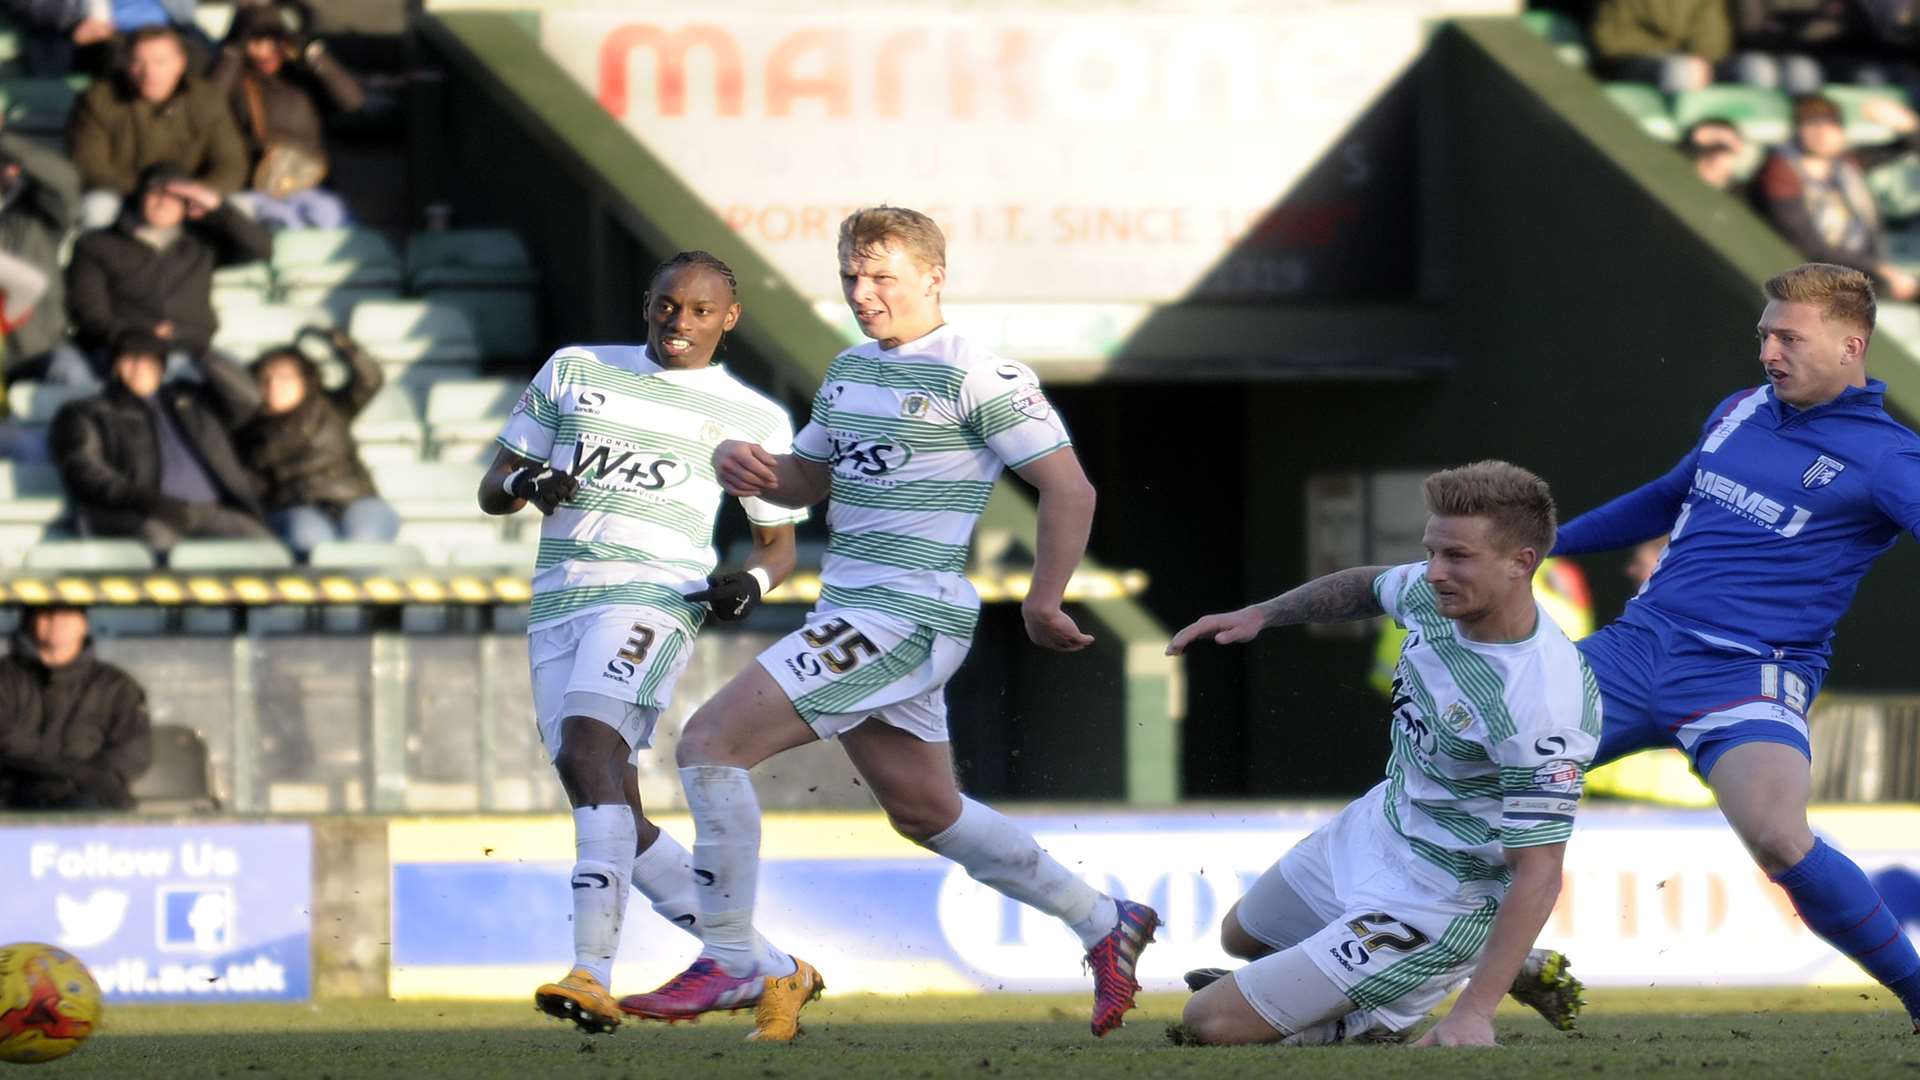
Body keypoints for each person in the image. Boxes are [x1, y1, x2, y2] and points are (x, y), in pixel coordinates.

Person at [619, 207, 1156, 1040]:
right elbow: (805, 484)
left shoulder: (980, 374)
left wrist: (1045, 599)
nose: (862, 294)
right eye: (850, 277)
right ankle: (1102, 920)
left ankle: (727, 957)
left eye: (882, 277)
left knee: (708, 743)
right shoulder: (848, 371)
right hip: (857, 608)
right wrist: (747, 469)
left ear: (934, 277)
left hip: (904, 612)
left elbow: (1069, 488)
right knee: (925, 810)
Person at [1552, 263, 1920, 1033]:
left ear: (1853, 345)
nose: (1768, 352)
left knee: (1780, 836)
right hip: (1635, 647)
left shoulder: (1887, 458)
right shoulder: (1740, 410)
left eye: (1790, 337)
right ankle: (1358, 960)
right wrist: (1546, 547)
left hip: (1751, 671)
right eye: (1764, 334)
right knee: (1470, 771)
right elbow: (1664, 498)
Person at [477, 250, 810, 1040]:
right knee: (605, 794)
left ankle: (592, 972)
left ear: (729, 319)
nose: (680, 324)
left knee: (592, 749)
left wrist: (749, 584)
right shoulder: (576, 369)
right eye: (668, 306)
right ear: (647, 305)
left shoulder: (754, 418)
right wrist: (531, 486)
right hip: (560, 600)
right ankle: (772, 969)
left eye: (700, 312)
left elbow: (778, 549)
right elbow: (494, 486)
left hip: (656, 597)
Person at [1163, 462, 1595, 1048]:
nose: (1434, 573)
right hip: (1382, 825)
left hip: (1446, 895)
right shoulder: (1434, 594)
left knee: (1210, 1022)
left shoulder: (1543, 699)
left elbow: (1540, 871)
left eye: (1457, 558)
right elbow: (1371, 585)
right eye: (1432, 552)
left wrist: (1475, 1014)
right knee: (1242, 936)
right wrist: (1262, 614)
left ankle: (1389, 1010)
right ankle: (1481, 965)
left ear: (1521, 562)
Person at [49, 328, 272, 552]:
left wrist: (199, 351)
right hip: (140, 513)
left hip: (210, 509)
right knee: (160, 541)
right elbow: (84, 470)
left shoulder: (192, 399)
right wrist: (148, 501)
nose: (139, 368)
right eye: (129, 359)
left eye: (149, 361)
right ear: (115, 366)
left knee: (262, 545)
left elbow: (248, 398)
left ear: (162, 366)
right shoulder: (87, 412)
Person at [66, 162, 272, 372]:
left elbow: (261, 248)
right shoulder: (95, 245)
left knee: (242, 385)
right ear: (139, 198)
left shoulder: (202, 244)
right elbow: (90, 314)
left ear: (188, 204)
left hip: (190, 351)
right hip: (121, 352)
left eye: (174, 196)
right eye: (155, 193)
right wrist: (144, 335)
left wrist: (216, 206)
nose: (163, 202)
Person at [237, 328, 398, 557]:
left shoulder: (331, 407)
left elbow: (371, 380)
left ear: (305, 379)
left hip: (356, 501)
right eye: (265, 379)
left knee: (364, 541)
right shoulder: (248, 430)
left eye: (285, 377)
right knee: (311, 543)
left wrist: (342, 344)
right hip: (296, 509)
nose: (274, 385)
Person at [67, 25, 248, 228]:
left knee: (240, 208)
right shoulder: (99, 99)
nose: (149, 73)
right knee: (98, 209)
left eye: (160, 62)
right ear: (126, 64)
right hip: (125, 195)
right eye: (139, 63)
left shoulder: (206, 98)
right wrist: (152, 191)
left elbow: (231, 162)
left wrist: (203, 191)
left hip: (190, 197)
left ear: (180, 63)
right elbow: (90, 166)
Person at [211, 5, 365, 230]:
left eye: (273, 41)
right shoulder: (236, 79)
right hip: (256, 186)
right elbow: (208, 102)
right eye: (255, 42)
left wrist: (315, 54)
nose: (265, 51)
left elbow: (354, 101)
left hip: (310, 183)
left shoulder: (303, 78)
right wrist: (232, 53)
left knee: (333, 221)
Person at [1752, 94, 1920, 301]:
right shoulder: (1781, 172)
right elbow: (1810, 246)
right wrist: (1880, 269)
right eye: (1811, 124)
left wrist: (1908, 125)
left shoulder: (1846, 164)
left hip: (1863, 266)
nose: (1822, 133)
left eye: (1831, 125)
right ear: (1797, 130)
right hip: (1813, 278)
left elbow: (1906, 146)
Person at [0, 605, 151, 811]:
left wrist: (90, 780)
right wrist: (73, 771)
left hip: (91, 800)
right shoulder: (5, 678)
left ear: (84, 624)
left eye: (67, 613)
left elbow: (133, 750)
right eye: (46, 613)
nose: (56, 621)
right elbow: (6, 740)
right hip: (12, 798)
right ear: (30, 621)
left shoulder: (116, 686)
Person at [0, 124, 80, 380]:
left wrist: (6, 142)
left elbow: (64, 182)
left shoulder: (39, 215)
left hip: (37, 350)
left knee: (74, 376)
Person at [1590, 0, 1732, 94]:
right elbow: (1612, 40)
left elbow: (1712, 41)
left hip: (1695, 66)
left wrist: (1702, 59)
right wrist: (1670, 53)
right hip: (1628, 62)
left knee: (1752, 66)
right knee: (1685, 69)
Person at [1681, 117, 1747, 190]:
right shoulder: (1739, 145)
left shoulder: (1700, 138)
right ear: (1729, 172)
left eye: (1709, 163)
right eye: (1718, 168)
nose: (1716, 161)